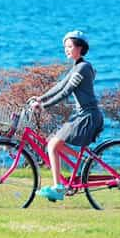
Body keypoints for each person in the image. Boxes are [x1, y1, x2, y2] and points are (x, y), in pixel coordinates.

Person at [29, 30, 103, 202]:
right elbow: (60, 85)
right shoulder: (76, 67)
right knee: (52, 142)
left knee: (53, 145)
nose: (66, 50)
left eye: (70, 46)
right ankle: (84, 162)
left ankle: (58, 187)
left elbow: (66, 92)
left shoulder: (83, 67)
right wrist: (40, 98)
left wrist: (44, 106)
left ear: (80, 47)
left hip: (87, 117)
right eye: (65, 47)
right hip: (82, 115)